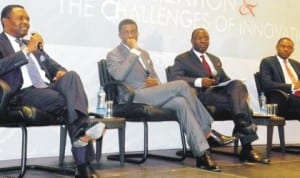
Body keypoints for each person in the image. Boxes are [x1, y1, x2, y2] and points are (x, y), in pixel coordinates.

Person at [106, 18, 236, 172]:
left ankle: (202, 154)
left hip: (152, 94)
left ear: (138, 33)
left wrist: (155, 83)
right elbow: (119, 76)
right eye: (126, 32)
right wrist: (133, 52)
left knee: (181, 102)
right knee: (181, 85)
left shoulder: (144, 54)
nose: (130, 35)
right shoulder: (114, 54)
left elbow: (156, 78)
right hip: (132, 96)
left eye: (133, 32)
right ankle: (207, 130)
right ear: (120, 34)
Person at [0, 4, 105, 178]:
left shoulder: (31, 45)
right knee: (70, 104)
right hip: (21, 93)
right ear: (5, 21)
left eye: (28, 19)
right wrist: (26, 51)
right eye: (21, 18)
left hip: (46, 89)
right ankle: (83, 160)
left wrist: (58, 72)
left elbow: (51, 63)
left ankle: (82, 133)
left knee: (71, 76)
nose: (26, 22)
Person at [171, 28, 269, 164]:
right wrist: (199, 81)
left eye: (206, 38)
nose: (203, 41)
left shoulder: (214, 59)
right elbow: (174, 78)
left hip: (218, 96)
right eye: (200, 38)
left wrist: (234, 84)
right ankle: (247, 145)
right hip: (200, 96)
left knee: (237, 86)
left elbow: (225, 80)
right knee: (240, 103)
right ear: (192, 40)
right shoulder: (183, 58)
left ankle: (241, 123)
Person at [260, 37, 300, 118]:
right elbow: (266, 84)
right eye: (283, 46)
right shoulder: (268, 62)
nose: (286, 49)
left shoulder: (296, 64)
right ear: (277, 47)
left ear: (292, 50)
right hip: (281, 98)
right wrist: (292, 86)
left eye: (289, 47)